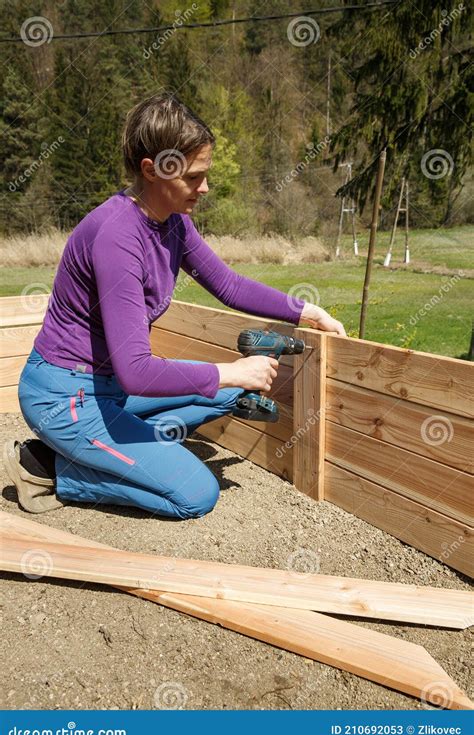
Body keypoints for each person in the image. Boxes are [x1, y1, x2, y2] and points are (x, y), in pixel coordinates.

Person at [4, 93, 346, 520]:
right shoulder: (117, 238)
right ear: (152, 170)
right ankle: (48, 469)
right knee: (195, 493)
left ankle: (119, 448)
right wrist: (229, 370)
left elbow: (228, 284)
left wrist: (305, 312)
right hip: (65, 396)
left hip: (109, 389)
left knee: (229, 394)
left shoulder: (172, 224)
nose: (205, 188)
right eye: (194, 177)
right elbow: (136, 369)